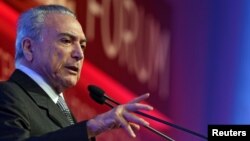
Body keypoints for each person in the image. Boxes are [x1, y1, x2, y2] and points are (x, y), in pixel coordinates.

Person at [0, 4, 153, 141]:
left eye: (82, 45)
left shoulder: (63, 111)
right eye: (66, 41)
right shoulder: (6, 95)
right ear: (29, 48)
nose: (79, 54)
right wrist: (90, 127)